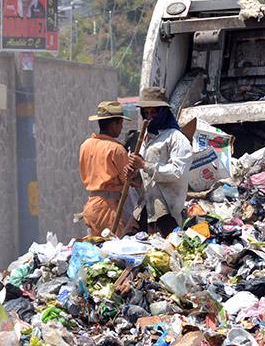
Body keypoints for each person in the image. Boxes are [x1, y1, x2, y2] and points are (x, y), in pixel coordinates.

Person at [123, 86, 193, 237]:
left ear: (163, 112)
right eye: (146, 113)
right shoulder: (146, 138)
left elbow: (177, 171)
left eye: (154, 112)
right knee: (126, 241)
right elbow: (143, 175)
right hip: (144, 204)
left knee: (164, 250)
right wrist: (134, 174)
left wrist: (145, 166)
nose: (150, 117)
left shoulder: (176, 138)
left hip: (166, 207)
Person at [79, 101, 131, 236]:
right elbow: (127, 180)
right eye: (120, 124)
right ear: (115, 124)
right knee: (113, 250)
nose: (121, 128)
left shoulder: (85, 145)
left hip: (91, 206)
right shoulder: (117, 149)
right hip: (109, 209)